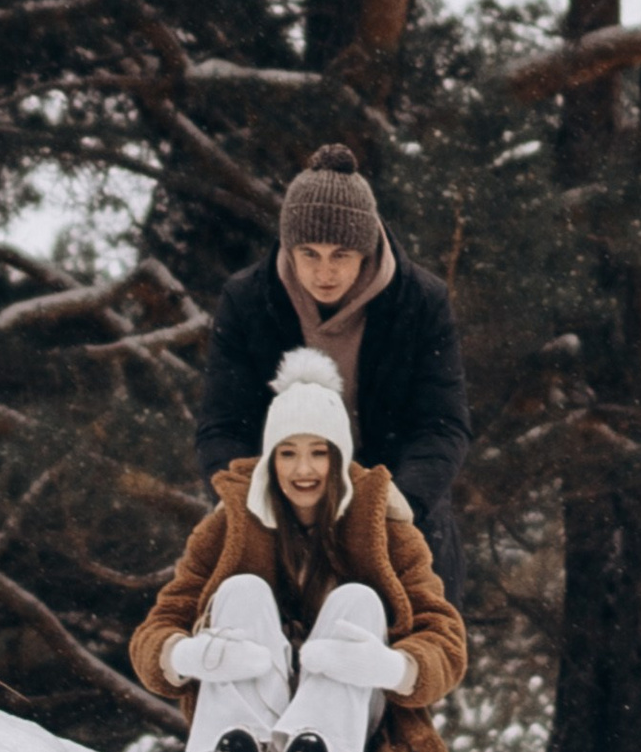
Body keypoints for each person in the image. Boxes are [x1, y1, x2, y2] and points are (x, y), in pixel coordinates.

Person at [132, 345, 467, 752]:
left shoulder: (386, 530)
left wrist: (391, 665)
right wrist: (185, 655)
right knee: (239, 590)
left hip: (349, 713)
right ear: (270, 459)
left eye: (319, 451)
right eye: (288, 452)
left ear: (338, 456)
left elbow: (445, 641)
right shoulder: (229, 526)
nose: (303, 469)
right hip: (249, 711)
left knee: (359, 598)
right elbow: (156, 631)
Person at [195, 143, 473, 593]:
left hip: (396, 507)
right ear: (289, 247)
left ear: (366, 249)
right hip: (279, 506)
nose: (324, 272)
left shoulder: (420, 301)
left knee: (419, 647)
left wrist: (400, 502)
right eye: (309, 253)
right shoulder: (247, 300)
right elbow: (223, 424)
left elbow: (442, 424)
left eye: (340, 254)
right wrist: (249, 498)